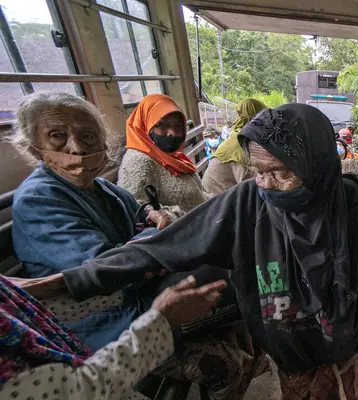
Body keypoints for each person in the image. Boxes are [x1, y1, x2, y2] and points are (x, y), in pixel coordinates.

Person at [47, 104, 358, 399]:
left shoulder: (352, 211)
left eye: (284, 173)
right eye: (259, 173)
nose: (269, 186)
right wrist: (69, 280)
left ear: (317, 166)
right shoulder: (248, 201)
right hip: (288, 352)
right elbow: (159, 247)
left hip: (346, 348)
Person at [10, 92, 179, 349]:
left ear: (103, 143)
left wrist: (157, 216)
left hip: (136, 294)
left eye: (87, 136)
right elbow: (102, 268)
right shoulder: (38, 198)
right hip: (95, 320)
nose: (77, 148)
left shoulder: (100, 186)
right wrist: (162, 235)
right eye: (57, 136)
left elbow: (140, 213)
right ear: (34, 147)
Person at [0, 275, 227, 400]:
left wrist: (127, 277)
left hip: (127, 318)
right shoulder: (41, 198)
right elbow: (77, 392)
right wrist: (158, 322)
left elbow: (47, 307)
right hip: (107, 355)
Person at [118, 94, 210, 213]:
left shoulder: (174, 157)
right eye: (162, 125)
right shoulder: (138, 162)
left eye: (177, 125)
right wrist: (173, 216)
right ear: (146, 125)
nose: (172, 133)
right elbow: (134, 208)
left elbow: (199, 196)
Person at [203, 98, 267, 195]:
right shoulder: (241, 145)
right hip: (214, 199)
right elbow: (253, 187)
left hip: (218, 194)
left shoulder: (237, 136)